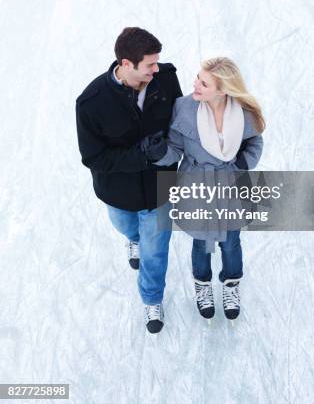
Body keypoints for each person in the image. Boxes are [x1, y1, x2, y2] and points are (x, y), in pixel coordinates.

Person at [75, 27, 182, 334]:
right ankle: (132, 239)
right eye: (149, 64)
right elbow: (94, 158)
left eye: (157, 62)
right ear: (125, 63)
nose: (156, 69)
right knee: (127, 227)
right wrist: (141, 156)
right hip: (118, 193)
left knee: (155, 250)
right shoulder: (91, 102)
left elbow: (181, 123)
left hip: (160, 189)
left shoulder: (165, 80)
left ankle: (151, 297)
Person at [155, 57, 264, 321]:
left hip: (230, 184)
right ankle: (202, 284)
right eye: (197, 78)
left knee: (230, 242)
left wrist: (241, 162)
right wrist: (159, 153)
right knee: (202, 241)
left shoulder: (243, 113)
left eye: (204, 83)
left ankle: (231, 283)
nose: (195, 85)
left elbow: (255, 143)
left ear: (223, 90)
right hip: (196, 183)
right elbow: (176, 150)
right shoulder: (184, 108)